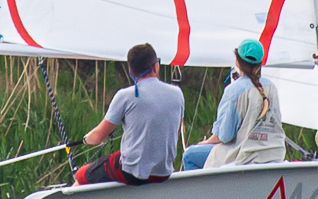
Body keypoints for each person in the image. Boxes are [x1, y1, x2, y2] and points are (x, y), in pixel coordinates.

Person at [75, 43, 185, 186]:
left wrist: (85, 140)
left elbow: (98, 137)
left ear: (131, 71)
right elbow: (175, 130)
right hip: (164, 172)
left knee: (81, 175)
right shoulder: (177, 94)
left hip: (133, 173)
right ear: (156, 66)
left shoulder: (125, 95)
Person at [181, 39, 285, 170]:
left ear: (237, 61)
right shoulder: (271, 87)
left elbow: (225, 135)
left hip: (244, 155)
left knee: (190, 155)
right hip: (274, 153)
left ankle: (202, 191)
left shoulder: (234, 90)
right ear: (261, 62)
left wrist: (207, 142)